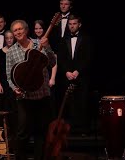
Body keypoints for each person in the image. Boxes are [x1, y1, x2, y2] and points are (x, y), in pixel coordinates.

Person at [6, 19, 56, 160]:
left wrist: (48, 47)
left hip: (42, 95)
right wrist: (14, 89)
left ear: (26, 30)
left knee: (41, 132)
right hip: (24, 98)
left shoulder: (39, 44)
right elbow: (9, 76)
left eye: (20, 29)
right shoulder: (10, 52)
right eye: (15, 30)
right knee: (22, 133)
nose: (18, 32)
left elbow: (52, 63)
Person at [57, 14, 94, 135]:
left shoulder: (86, 38)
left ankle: (83, 129)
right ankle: (71, 130)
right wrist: (66, 71)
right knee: (69, 103)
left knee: (82, 102)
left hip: (82, 76)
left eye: (74, 24)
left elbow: (88, 58)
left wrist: (78, 71)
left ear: (79, 24)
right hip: (67, 76)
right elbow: (61, 58)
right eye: (70, 24)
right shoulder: (63, 39)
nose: (72, 26)